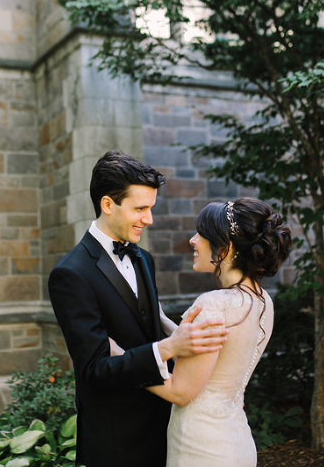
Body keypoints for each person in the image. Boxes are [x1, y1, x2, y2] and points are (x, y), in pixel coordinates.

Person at [48, 150, 229, 467]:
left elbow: (150, 325)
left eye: (151, 208)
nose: (150, 219)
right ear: (108, 204)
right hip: (117, 442)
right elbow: (94, 371)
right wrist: (168, 347)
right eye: (140, 209)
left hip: (165, 429)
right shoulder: (70, 274)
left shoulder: (144, 259)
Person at [110, 197, 292, 466]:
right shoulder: (263, 301)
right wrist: (161, 319)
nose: (193, 240)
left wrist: (121, 357)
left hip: (200, 446)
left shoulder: (213, 304)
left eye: (202, 234)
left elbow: (181, 392)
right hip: (237, 441)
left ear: (225, 248)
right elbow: (215, 350)